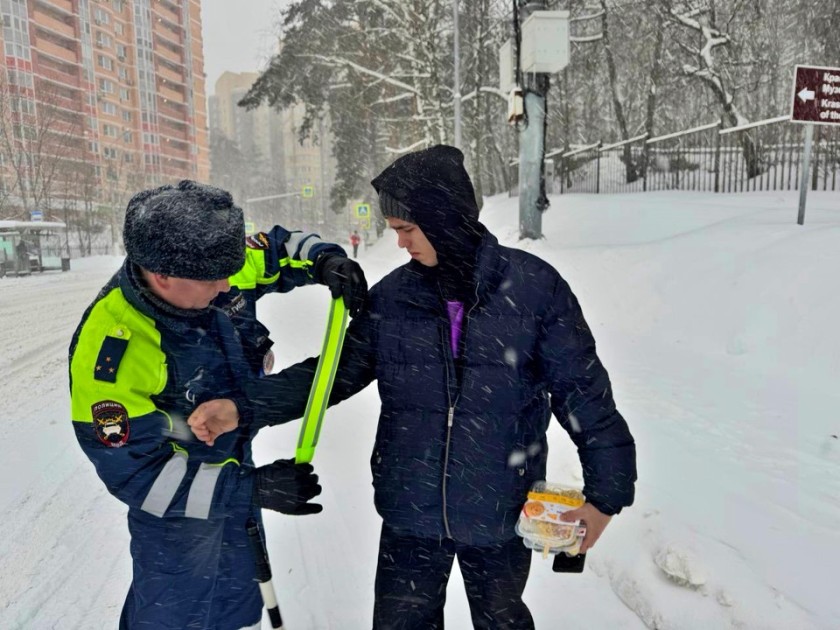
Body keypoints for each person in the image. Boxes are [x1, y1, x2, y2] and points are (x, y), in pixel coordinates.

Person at [189, 146, 637, 629]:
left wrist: (605, 497)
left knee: (502, 621)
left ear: (443, 219)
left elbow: (584, 396)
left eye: (407, 228)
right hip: (410, 513)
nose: (400, 242)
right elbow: (331, 376)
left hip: (500, 511)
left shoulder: (535, 291)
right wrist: (243, 407)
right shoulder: (393, 299)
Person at [69, 180, 367, 630]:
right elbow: (139, 473)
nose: (228, 284)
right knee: (174, 617)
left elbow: (279, 247)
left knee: (236, 605)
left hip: (234, 480)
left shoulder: (210, 263)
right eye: (214, 280)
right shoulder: (114, 348)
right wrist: (250, 489)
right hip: (176, 521)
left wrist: (326, 260)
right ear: (162, 275)